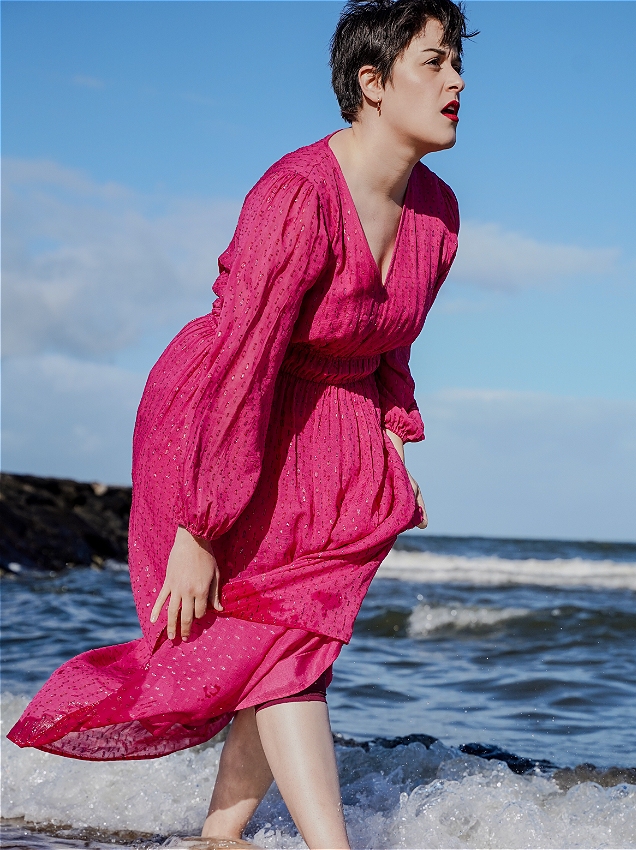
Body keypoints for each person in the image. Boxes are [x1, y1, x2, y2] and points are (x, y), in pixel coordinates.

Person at [8, 0, 475, 846]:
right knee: (282, 649)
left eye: (456, 64)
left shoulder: (437, 215)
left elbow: (392, 345)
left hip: (337, 424)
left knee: (287, 642)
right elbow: (247, 360)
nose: (457, 82)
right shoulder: (296, 197)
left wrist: (394, 441)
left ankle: (220, 833)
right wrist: (200, 525)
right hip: (225, 411)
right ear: (372, 84)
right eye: (435, 63)